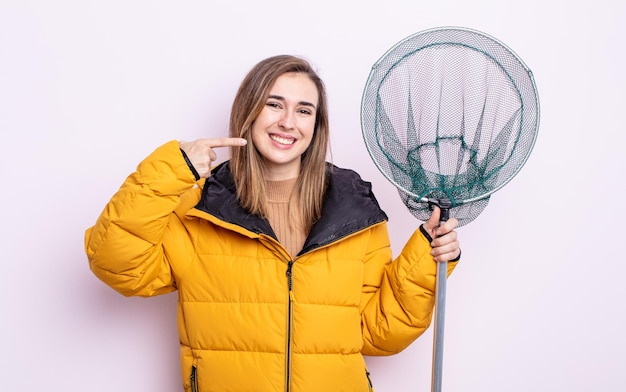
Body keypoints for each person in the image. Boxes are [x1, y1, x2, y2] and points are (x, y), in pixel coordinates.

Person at [84, 54, 461, 392]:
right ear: (249, 111)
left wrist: (426, 261)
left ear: (316, 125)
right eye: (273, 104)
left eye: (303, 110)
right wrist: (168, 171)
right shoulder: (199, 207)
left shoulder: (354, 210)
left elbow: (379, 334)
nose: (287, 122)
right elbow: (118, 265)